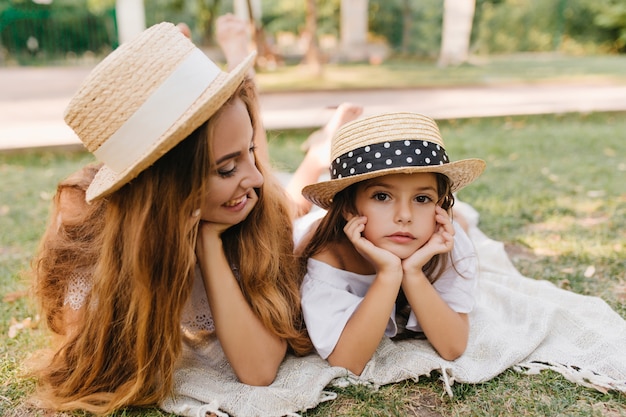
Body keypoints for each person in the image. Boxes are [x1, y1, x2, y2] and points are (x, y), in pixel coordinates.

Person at [28, 19, 360, 414]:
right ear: (166, 190)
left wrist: (209, 245)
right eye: (225, 168)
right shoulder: (90, 228)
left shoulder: (252, 210)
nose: (252, 176)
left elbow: (260, 369)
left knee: (288, 205)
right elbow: (84, 362)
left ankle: (317, 156)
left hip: (268, 213)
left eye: (250, 152)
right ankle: (314, 153)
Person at [298, 112, 486, 376]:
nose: (405, 216)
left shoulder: (444, 240)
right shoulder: (328, 257)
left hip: (411, 227)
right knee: (292, 208)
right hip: (312, 224)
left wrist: (412, 272)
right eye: (382, 196)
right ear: (349, 208)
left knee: (464, 223)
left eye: (422, 198)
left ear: (440, 205)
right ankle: (318, 154)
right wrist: (388, 274)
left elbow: (453, 346)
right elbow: (347, 361)